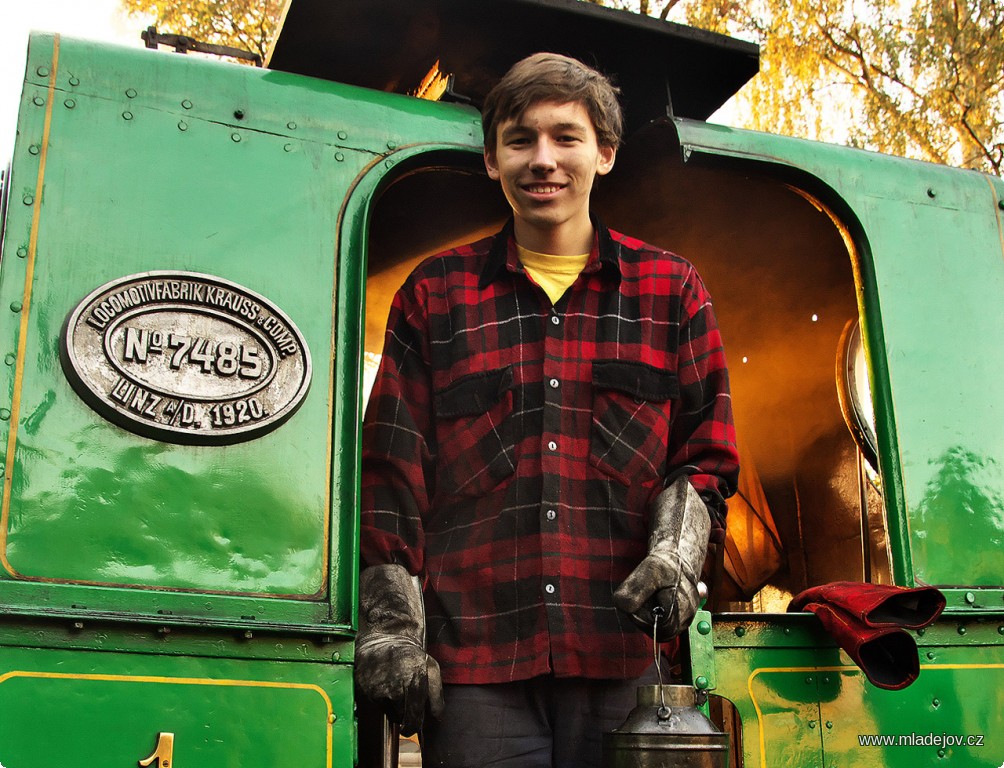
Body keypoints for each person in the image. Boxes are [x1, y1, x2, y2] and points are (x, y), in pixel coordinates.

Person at [356, 52, 739, 768]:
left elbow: (705, 456)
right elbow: (391, 477)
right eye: (520, 139)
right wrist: (391, 629)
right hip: (475, 669)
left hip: (626, 661)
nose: (543, 160)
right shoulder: (434, 295)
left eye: (566, 137)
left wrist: (677, 559)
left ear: (606, 153)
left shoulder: (672, 290)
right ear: (491, 160)